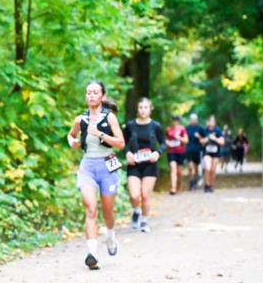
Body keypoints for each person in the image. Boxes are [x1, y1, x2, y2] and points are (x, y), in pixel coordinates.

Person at [67, 82, 126, 270]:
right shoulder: (80, 119)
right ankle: (92, 254)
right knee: (91, 209)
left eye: (95, 92)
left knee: (108, 211)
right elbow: (70, 135)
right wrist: (73, 141)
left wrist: (100, 133)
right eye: (88, 93)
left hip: (107, 165)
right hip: (88, 166)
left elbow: (121, 144)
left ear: (102, 96)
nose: (91, 95)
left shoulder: (110, 118)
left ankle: (110, 236)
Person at [123, 98, 166, 232]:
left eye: (146, 107)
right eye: (140, 107)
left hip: (150, 164)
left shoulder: (156, 126)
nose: (143, 110)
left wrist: (158, 153)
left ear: (150, 109)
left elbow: (164, 143)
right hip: (134, 164)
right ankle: (136, 211)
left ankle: (144, 221)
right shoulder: (130, 125)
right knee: (135, 195)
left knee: (145, 195)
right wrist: (127, 153)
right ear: (137, 109)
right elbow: (122, 143)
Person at [199, 115, 225, 193]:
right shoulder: (204, 130)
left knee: (213, 170)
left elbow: (222, 142)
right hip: (207, 152)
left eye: (213, 121)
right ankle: (207, 184)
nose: (211, 123)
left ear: (215, 123)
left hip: (216, 153)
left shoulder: (218, 131)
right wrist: (207, 138)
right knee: (208, 168)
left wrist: (214, 139)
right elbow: (201, 141)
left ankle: (211, 185)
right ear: (208, 122)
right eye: (210, 121)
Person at [165, 115, 189, 194]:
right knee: (173, 168)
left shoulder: (182, 129)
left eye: (176, 120)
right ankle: (173, 188)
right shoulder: (168, 129)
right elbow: (165, 140)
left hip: (180, 152)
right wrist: (168, 143)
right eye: (173, 120)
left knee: (179, 171)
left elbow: (186, 140)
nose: (175, 122)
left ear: (178, 121)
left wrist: (179, 138)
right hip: (171, 151)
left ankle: (180, 184)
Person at [185, 112, 204, 190]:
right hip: (189, 150)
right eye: (192, 119)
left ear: (197, 120)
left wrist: (199, 136)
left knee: (196, 167)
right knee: (190, 167)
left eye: (194, 119)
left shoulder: (200, 128)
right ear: (190, 120)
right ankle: (191, 182)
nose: (193, 121)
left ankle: (195, 181)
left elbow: (204, 139)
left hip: (197, 150)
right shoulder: (186, 128)